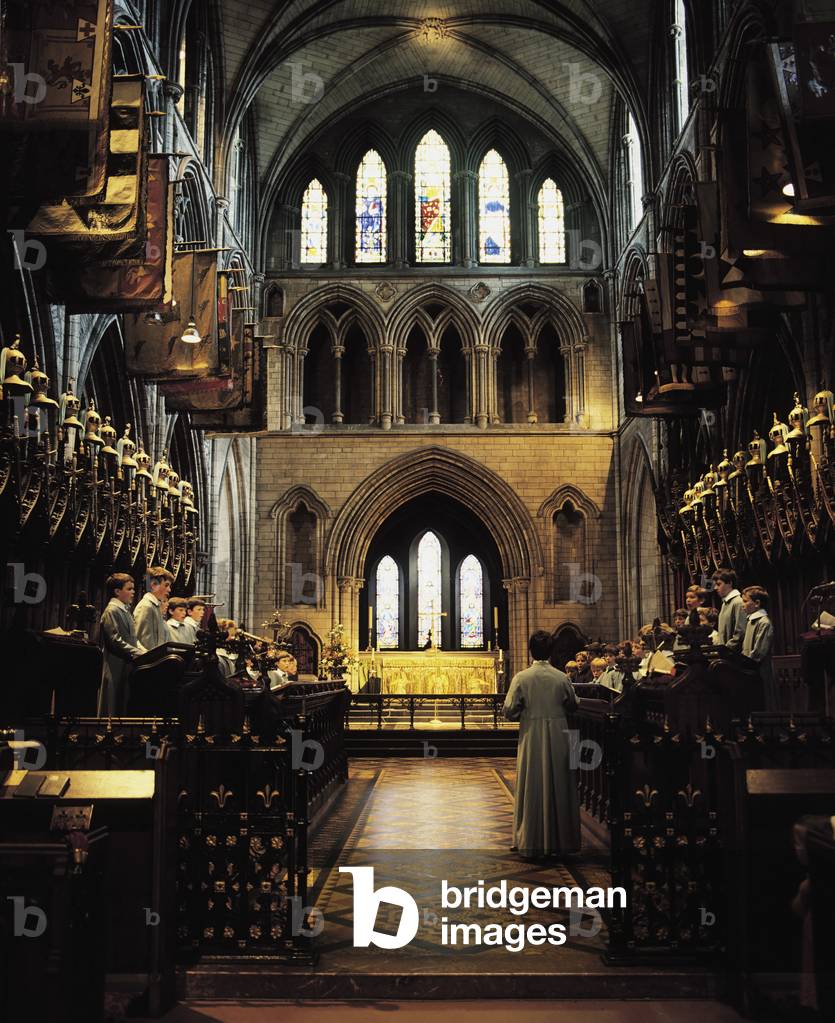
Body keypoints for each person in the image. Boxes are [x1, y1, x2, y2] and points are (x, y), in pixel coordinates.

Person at [502, 629, 581, 860]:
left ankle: (530, 839)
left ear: (530, 651)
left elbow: (508, 710)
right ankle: (562, 841)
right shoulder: (562, 677)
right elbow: (574, 704)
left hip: (532, 733)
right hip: (559, 733)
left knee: (532, 782)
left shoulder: (522, 678)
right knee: (560, 782)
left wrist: (523, 711)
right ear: (552, 650)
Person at [97, 573, 146, 716]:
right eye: (129, 589)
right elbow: (115, 640)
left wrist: (144, 651)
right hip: (115, 664)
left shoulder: (125, 610)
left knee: (123, 701)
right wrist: (137, 653)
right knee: (112, 700)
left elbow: (133, 638)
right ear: (117, 591)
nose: (133, 592)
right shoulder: (111, 610)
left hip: (127, 663)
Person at [741, 586, 777, 710]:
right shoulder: (751, 621)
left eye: (745, 601)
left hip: (760, 671)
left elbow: (758, 652)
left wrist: (744, 663)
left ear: (757, 603)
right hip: (750, 671)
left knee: (764, 703)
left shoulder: (763, 622)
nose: (743, 605)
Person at [133, 566, 174, 651]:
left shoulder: (155, 606)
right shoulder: (146, 606)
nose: (169, 590)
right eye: (166, 585)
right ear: (154, 585)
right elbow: (143, 642)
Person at [713, 568, 747, 651]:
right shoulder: (725, 603)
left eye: (718, 584)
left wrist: (726, 649)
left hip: (734, 655)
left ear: (730, 583)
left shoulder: (738, 602)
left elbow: (740, 632)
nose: (715, 588)